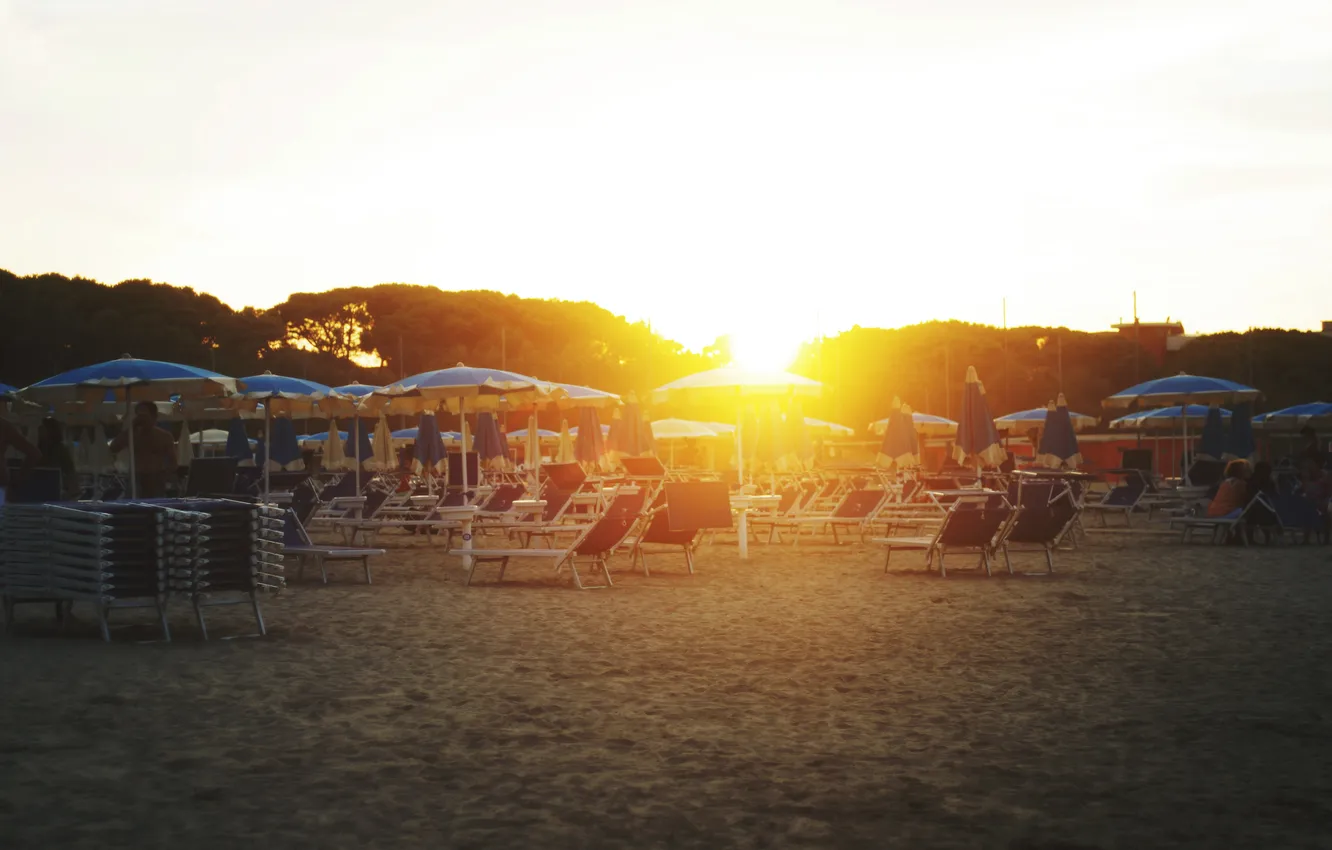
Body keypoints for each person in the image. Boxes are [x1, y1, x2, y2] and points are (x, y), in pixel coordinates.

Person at [109, 401, 178, 498]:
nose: (141, 418)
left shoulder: (164, 436)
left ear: (154, 417)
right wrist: (132, 427)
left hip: (155, 479)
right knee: (133, 509)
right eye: (139, 415)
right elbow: (113, 448)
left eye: (145, 415)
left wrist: (162, 476)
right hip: (135, 478)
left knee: (154, 508)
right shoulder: (132, 435)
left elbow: (173, 462)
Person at [0, 414, 43, 504]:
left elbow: (34, 454)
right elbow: (34, 454)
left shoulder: (4, 426)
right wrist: (16, 484)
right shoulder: (4, 426)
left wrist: (16, 483)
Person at [36, 417, 79, 500]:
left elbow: (70, 471)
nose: (40, 430)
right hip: (42, 488)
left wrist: (71, 492)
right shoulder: (40, 448)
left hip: (56, 489)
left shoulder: (59, 449)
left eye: (43, 428)